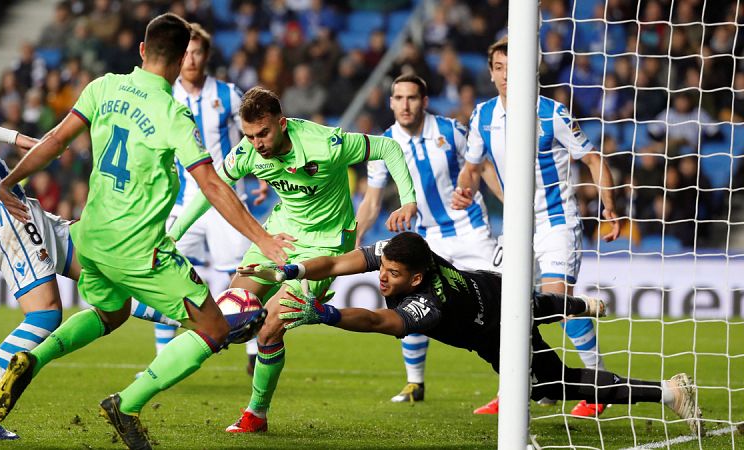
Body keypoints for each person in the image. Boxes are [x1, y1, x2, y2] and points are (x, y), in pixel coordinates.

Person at [0, 14, 292, 449]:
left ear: (143, 50)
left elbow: (54, 140)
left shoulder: (102, 87)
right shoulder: (173, 114)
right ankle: (126, 404)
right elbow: (211, 184)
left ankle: (32, 359)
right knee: (213, 329)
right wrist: (263, 240)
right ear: (183, 56)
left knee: (112, 313)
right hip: (138, 250)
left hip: (89, 238)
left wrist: (9, 180)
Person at [0, 37, 183, 443]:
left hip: (18, 207)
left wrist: (16, 138)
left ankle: (184, 317)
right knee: (44, 315)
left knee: (98, 268)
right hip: (1, 214)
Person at [240, 231, 704, 437]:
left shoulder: (428, 306)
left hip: (494, 328)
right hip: (494, 287)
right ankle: (581, 305)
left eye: (393, 274)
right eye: (383, 268)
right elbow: (340, 262)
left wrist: (326, 313)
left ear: (417, 279)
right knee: (533, 306)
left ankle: (667, 391)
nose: (383, 277)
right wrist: (291, 270)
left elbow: (384, 323)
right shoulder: (406, 252)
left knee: (549, 383)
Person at [168, 86, 418, 433]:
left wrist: (407, 199)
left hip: (326, 246)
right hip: (281, 237)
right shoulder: (249, 152)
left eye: (264, 133)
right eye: (250, 135)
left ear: (282, 124)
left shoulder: (325, 144)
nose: (257, 143)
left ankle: (256, 414)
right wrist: (176, 232)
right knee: (231, 306)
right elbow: (212, 187)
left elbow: (388, 147)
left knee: (271, 327)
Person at [452, 36, 621, 417]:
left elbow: (592, 159)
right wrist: (465, 188)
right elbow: (473, 167)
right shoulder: (482, 116)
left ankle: (599, 384)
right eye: (499, 68)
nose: (506, 75)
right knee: (504, 309)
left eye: (514, 67)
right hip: (516, 226)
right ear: (492, 73)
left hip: (557, 222)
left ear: (532, 69)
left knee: (558, 304)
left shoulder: (553, 113)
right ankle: (526, 385)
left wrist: (610, 206)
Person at [355, 74, 498, 403]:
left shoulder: (450, 131)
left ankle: (520, 382)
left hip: (469, 230)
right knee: (412, 303)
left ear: (425, 101)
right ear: (390, 102)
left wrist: (512, 206)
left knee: (502, 305)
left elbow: (484, 168)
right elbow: (372, 201)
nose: (405, 105)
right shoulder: (384, 144)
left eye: (412, 98)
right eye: (399, 98)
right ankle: (414, 383)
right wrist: (356, 236)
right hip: (424, 239)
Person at [153, 22, 269, 375]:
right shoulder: (164, 94)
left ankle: (252, 352)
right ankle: (162, 357)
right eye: (185, 53)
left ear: (206, 56)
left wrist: (259, 175)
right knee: (161, 273)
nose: (190, 59)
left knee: (240, 272)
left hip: (224, 199)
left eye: (197, 52)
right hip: (180, 202)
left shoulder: (230, 94)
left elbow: (251, 137)